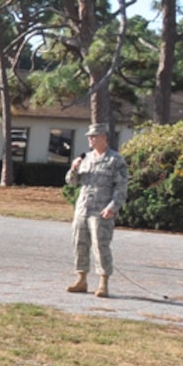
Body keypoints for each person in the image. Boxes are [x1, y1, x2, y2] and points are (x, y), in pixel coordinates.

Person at [66, 123, 126, 298]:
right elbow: (71, 182)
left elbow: (121, 188)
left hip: (101, 211)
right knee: (79, 244)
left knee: (101, 246)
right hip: (83, 208)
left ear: (104, 138)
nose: (90, 139)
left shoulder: (115, 160)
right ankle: (81, 280)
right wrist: (74, 168)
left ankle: (103, 283)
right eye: (89, 136)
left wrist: (113, 207)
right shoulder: (85, 158)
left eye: (94, 136)